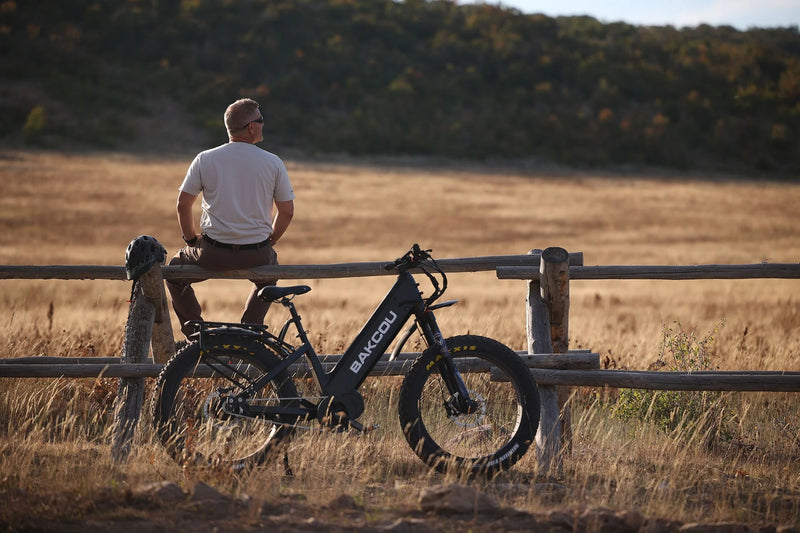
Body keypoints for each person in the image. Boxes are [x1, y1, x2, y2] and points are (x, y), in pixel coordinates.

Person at [166, 98, 295, 338]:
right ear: (251, 127)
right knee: (269, 275)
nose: (263, 124)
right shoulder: (273, 162)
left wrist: (190, 240)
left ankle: (197, 334)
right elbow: (287, 211)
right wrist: (271, 241)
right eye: (261, 120)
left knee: (173, 273)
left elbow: (183, 203)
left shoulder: (205, 158)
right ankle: (248, 334)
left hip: (212, 253)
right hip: (257, 253)